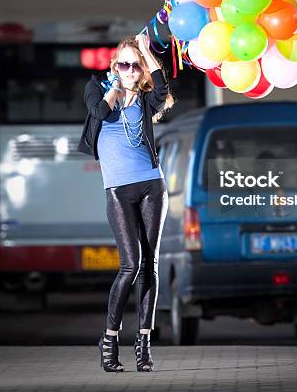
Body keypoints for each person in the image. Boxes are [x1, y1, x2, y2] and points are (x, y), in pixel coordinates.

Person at [82, 32, 175, 373]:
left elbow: (163, 92)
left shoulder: (147, 98)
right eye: (124, 64)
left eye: (135, 65)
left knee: (150, 265)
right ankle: (109, 339)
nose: (130, 70)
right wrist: (116, 87)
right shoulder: (96, 88)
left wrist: (147, 53)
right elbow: (100, 111)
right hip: (119, 190)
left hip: (152, 185)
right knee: (130, 265)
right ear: (115, 66)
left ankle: (144, 344)